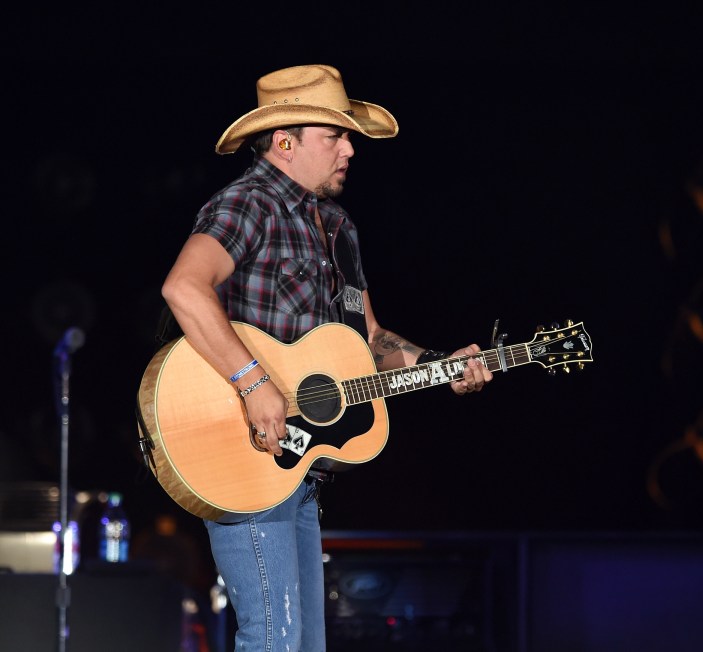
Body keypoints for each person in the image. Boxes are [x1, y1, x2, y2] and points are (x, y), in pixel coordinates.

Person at [159, 64, 492, 651]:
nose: (350, 148)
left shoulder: (337, 227)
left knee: (305, 643)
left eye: (349, 136)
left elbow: (370, 340)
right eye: (334, 135)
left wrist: (442, 365)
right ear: (284, 141)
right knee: (274, 638)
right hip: (242, 454)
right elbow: (184, 287)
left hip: (301, 468)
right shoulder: (247, 204)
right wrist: (253, 381)